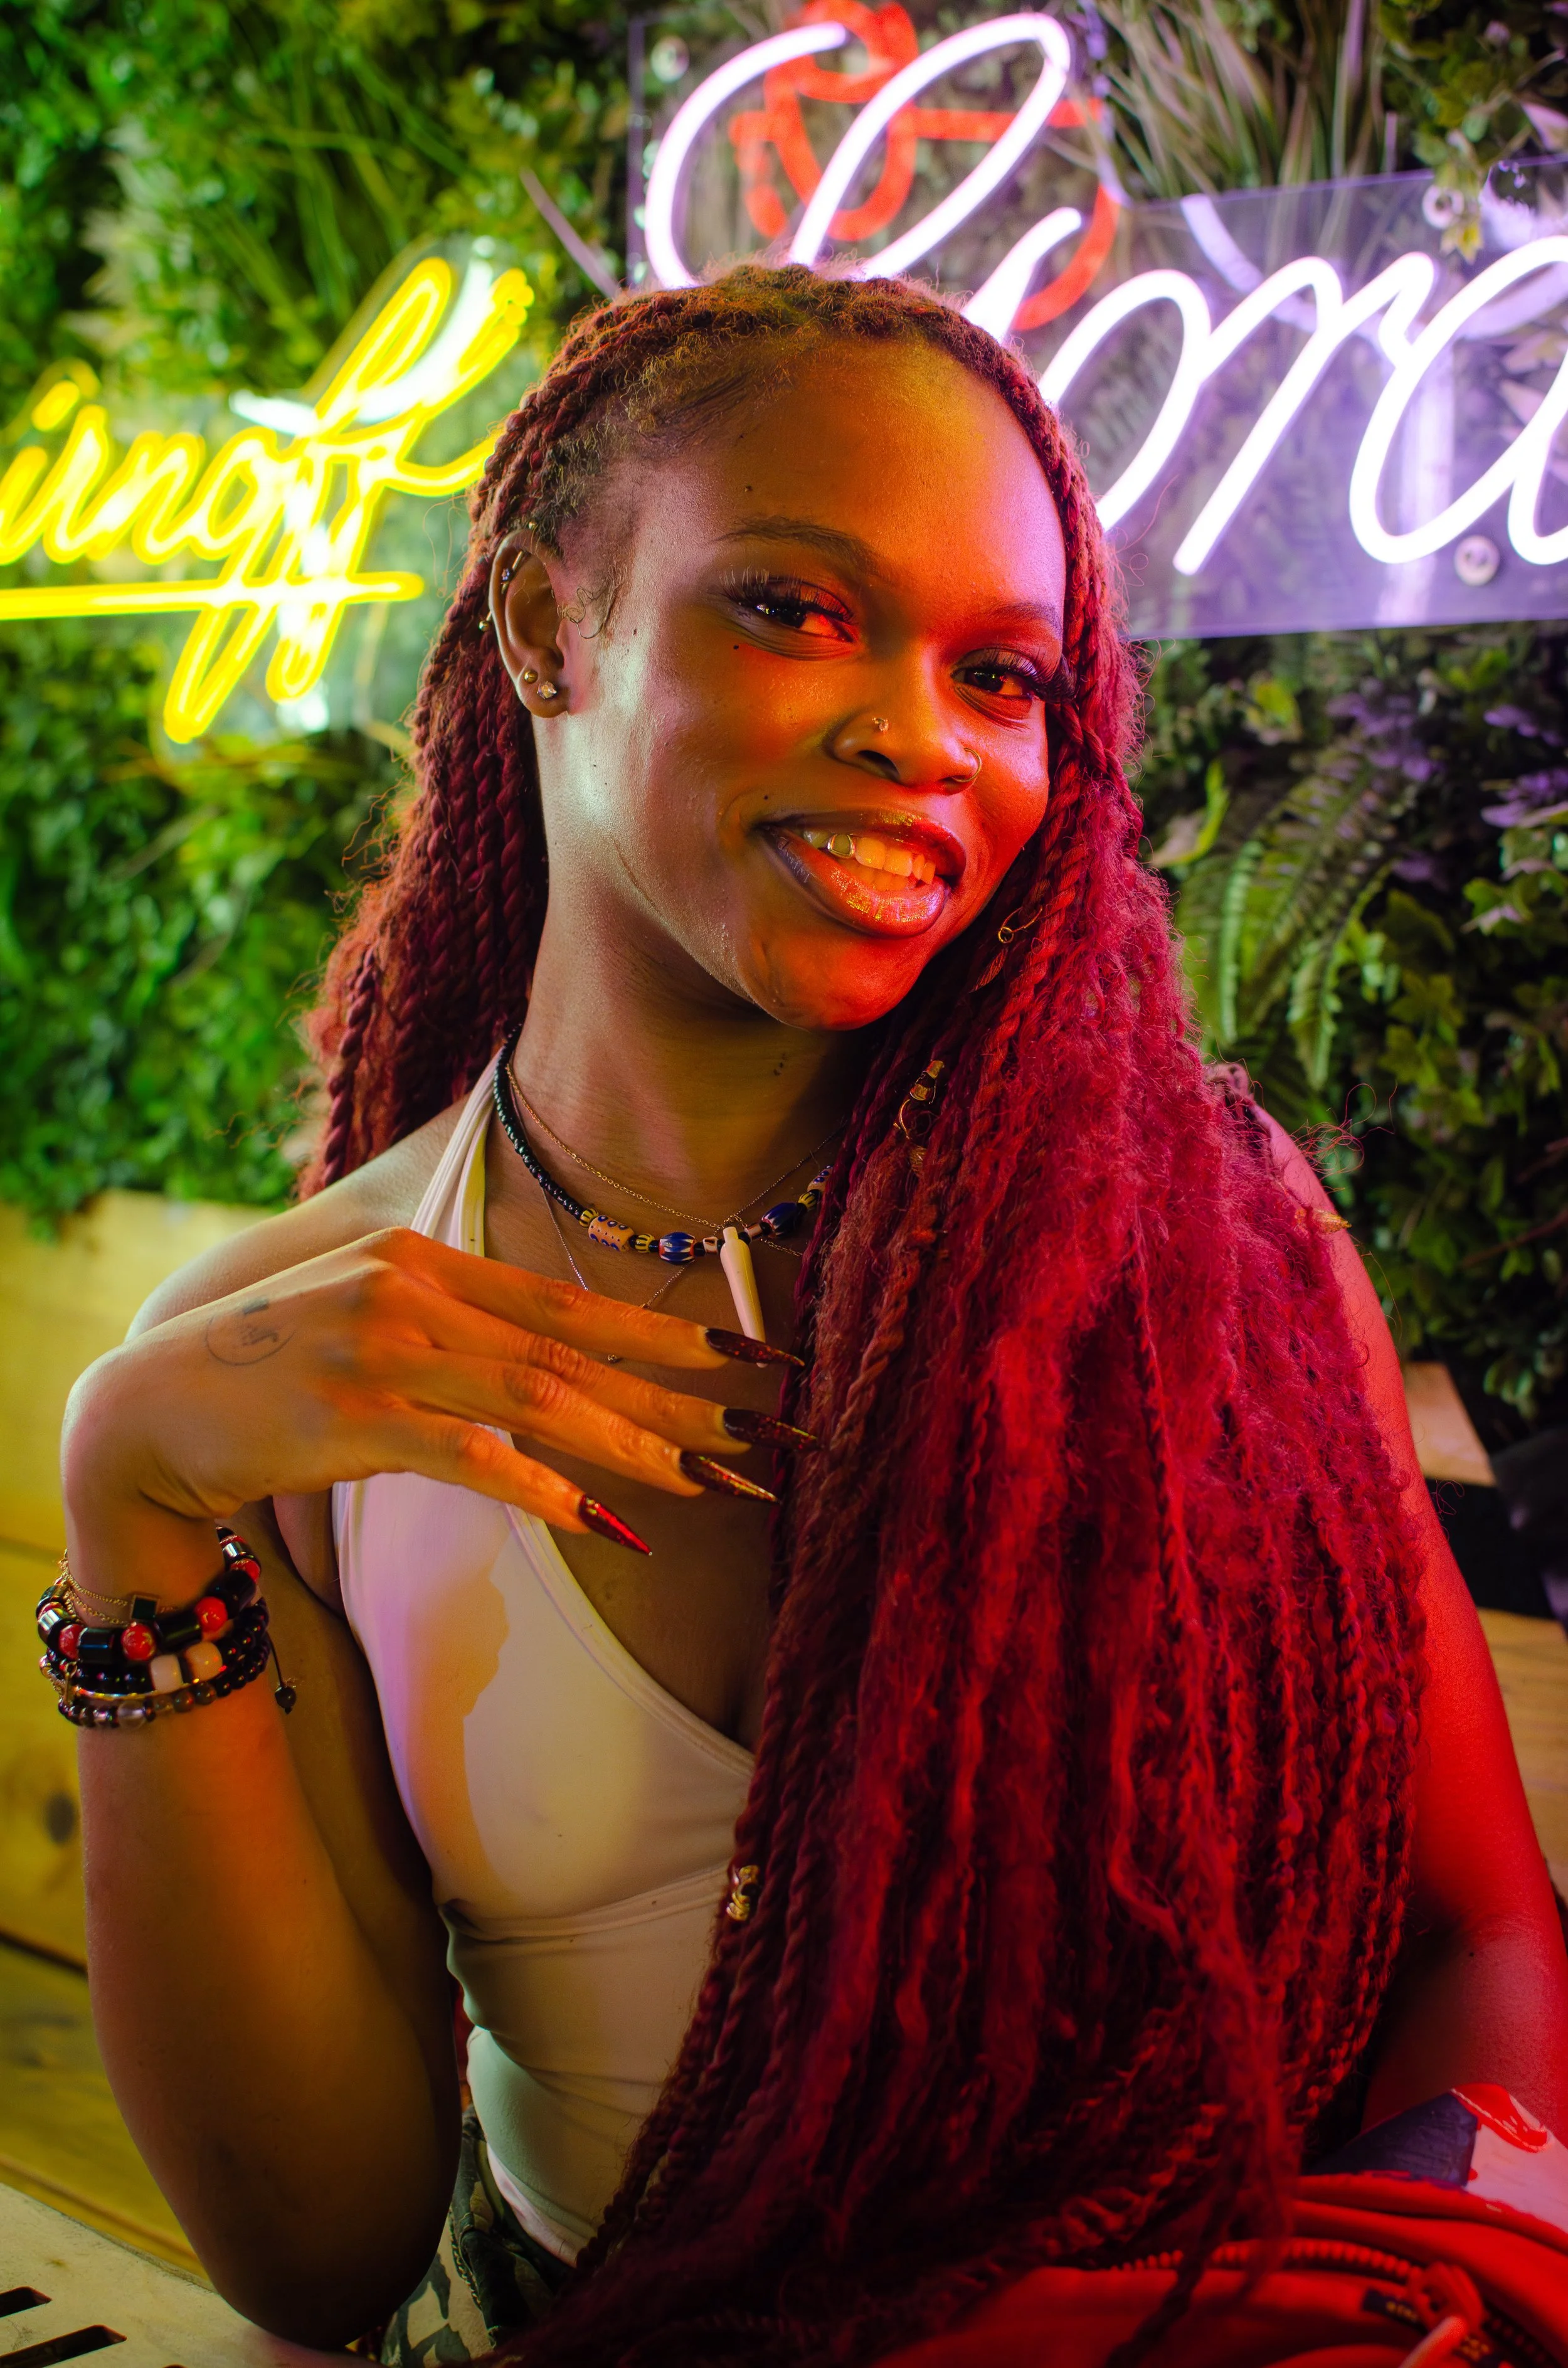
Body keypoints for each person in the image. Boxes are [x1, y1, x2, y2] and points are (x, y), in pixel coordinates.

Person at [56, 267, 1568, 2368]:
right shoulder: (316, 1352)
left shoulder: (1212, 1240)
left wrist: (1426, 2299)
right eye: (792, 606)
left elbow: (1471, 1925)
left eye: (1005, 672)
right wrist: (129, 1510)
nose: (918, 739)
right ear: (541, 622)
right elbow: (317, 2252)